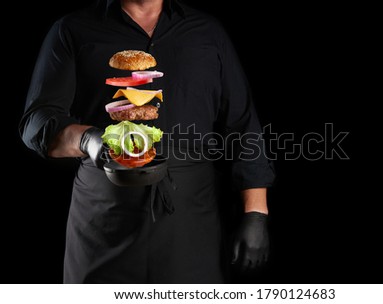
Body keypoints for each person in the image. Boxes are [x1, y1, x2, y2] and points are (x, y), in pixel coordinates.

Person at [19, 0, 275, 283]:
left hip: (190, 219)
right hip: (103, 215)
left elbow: (242, 125)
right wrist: (89, 140)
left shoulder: (208, 32)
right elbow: (36, 122)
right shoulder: (71, 30)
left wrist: (255, 214)